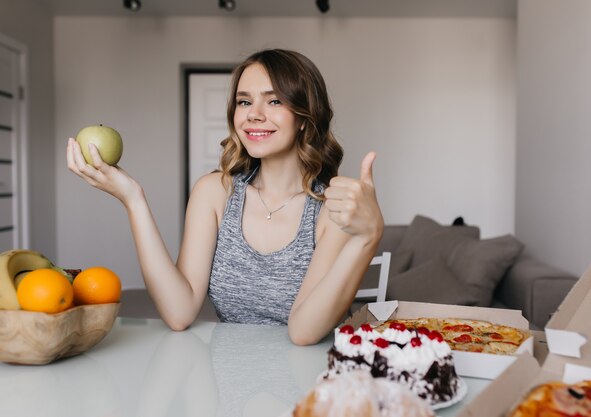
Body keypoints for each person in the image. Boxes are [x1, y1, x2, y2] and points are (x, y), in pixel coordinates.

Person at [66, 49, 384, 345]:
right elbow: (179, 312)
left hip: (307, 390)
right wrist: (133, 199)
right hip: (227, 388)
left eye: (274, 102)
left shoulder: (331, 209)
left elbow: (303, 332)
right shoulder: (214, 193)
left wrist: (367, 238)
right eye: (244, 102)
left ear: (303, 118)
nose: (253, 115)